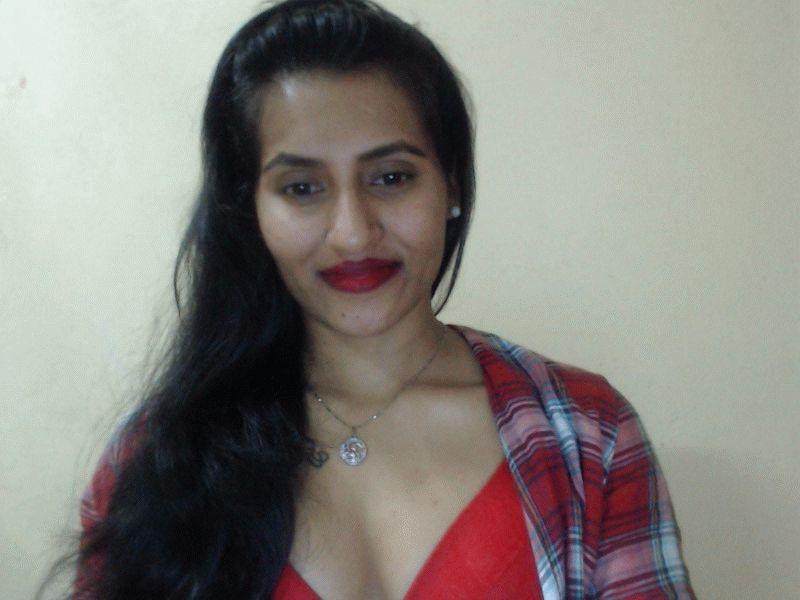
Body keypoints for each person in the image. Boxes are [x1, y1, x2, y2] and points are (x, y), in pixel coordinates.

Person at [71, 1, 695, 598]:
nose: (352, 233)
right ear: (248, 207)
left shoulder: (589, 434)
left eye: (392, 177)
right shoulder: (154, 461)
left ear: (452, 183)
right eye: (302, 187)